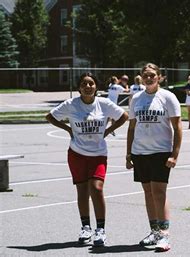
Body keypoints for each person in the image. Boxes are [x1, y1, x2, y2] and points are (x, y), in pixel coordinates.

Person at [45, 72, 128, 247]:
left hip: (98, 154)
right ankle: (85, 228)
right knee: (82, 191)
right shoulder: (71, 104)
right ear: (79, 88)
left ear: (96, 86)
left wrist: (107, 130)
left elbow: (124, 116)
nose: (88, 86)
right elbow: (50, 116)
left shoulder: (104, 104)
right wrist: (68, 129)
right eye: (84, 84)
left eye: (91, 83)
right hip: (77, 154)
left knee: (96, 189)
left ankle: (101, 230)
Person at [126, 63, 182, 252]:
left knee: (159, 192)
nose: (148, 78)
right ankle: (155, 232)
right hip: (140, 152)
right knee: (148, 192)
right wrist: (128, 154)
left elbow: (177, 127)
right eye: (145, 75)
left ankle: (164, 235)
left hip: (160, 153)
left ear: (159, 77)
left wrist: (174, 154)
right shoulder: (136, 99)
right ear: (141, 77)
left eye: (152, 75)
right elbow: (132, 127)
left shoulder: (167, 97)